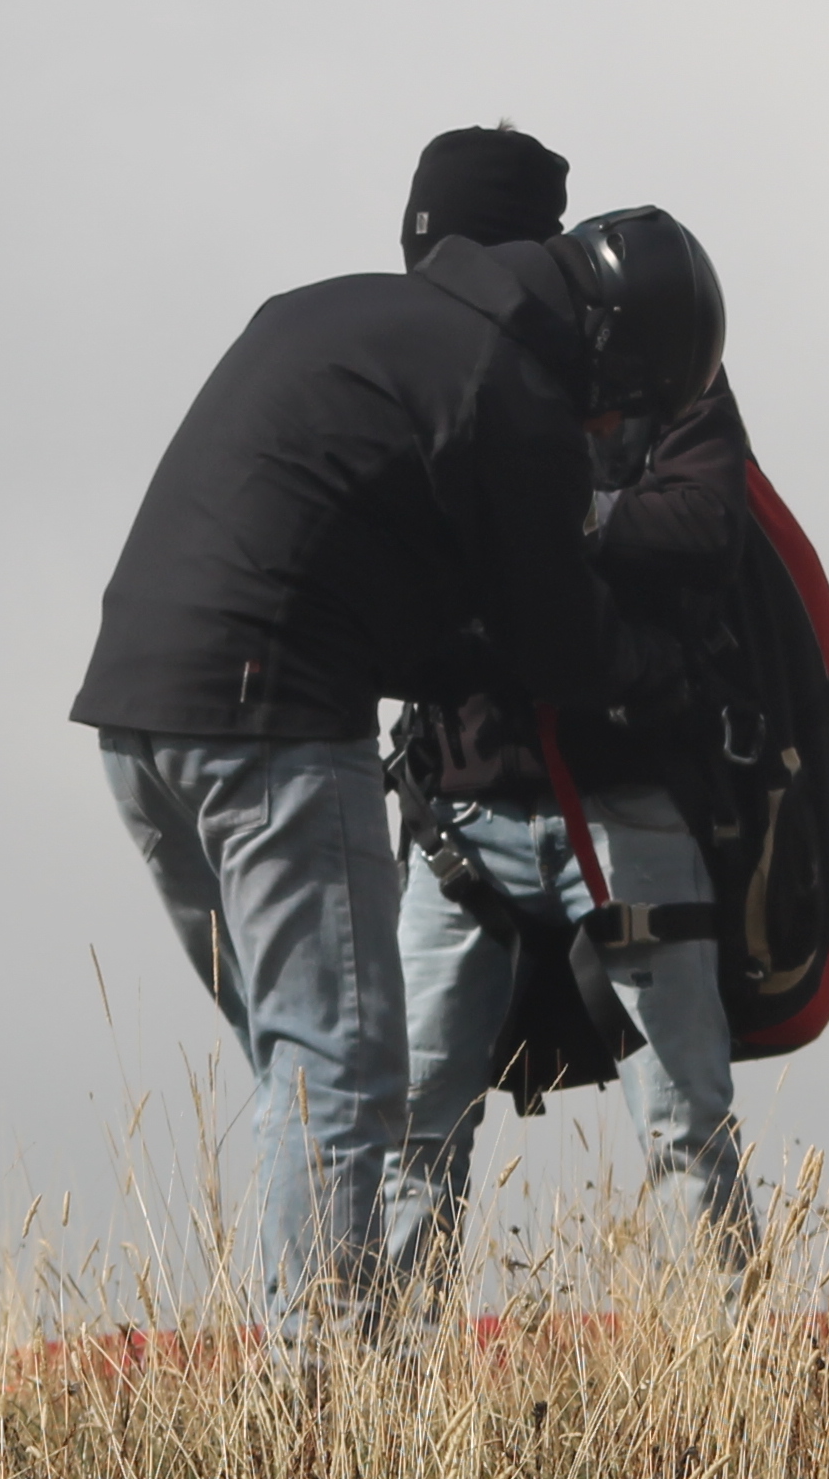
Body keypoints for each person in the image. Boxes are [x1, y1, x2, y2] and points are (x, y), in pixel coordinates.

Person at [70, 133, 720, 1358]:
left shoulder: (351, 318)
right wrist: (652, 672)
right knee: (344, 1070)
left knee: (297, 1065)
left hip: (137, 710)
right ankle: (320, 1411)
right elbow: (560, 646)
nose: (608, 426)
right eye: (622, 403)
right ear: (609, 350)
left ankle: (355, 1364)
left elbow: (396, 591)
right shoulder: (512, 392)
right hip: (271, 718)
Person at [376, 145, 762, 1299]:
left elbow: (705, 522)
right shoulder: (426, 369)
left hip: (626, 798)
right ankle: (375, 1404)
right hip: (462, 812)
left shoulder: (651, 347)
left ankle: (728, 1386)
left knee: (684, 1116)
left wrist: (539, 524)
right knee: (409, 1125)